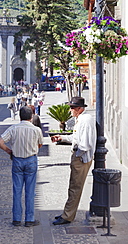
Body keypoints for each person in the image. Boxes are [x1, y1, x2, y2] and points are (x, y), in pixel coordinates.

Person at [51, 96, 96, 225]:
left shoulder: (85, 120)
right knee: (73, 186)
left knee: (75, 187)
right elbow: (76, 137)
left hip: (81, 158)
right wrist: (62, 138)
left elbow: (85, 144)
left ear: (79, 109)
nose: (70, 110)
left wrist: (78, 154)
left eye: (72, 108)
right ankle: (67, 212)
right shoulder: (80, 119)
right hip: (79, 156)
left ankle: (67, 216)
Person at [0, 106, 43, 227]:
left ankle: (16, 218)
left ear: (20, 116)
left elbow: (0, 142)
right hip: (31, 160)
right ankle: (29, 219)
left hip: (17, 160)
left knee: (17, 190)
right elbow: (40, 144)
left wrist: (9, 151)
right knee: (30, 191)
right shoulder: (36, 130)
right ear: (31, 117)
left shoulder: (13, 128)